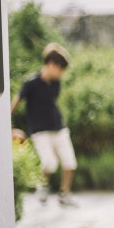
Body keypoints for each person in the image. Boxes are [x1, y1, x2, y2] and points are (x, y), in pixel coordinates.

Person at [11, 42, 78, 207]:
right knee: (49, 163)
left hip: (58, 127)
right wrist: (7, 123)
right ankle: (42, 186)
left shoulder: (56, 84)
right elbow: (16, 102)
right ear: (51, 64)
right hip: (39, 130)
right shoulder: (31, 83)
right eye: (60, 69)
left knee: (70, 162)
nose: (61, 74)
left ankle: (64, 194)